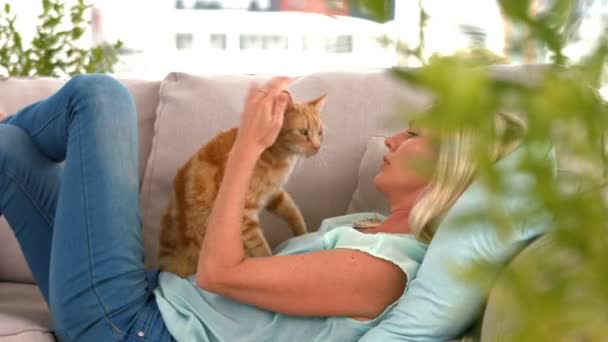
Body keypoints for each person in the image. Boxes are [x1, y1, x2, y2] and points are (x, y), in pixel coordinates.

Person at [0, 74, 525, 341]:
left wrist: (249, 145)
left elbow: (221, 275)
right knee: (8, 152)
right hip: (141, 303)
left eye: (412, 134)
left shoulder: (380, 271)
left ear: (450, 165)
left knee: (100, 96)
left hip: (132, 327)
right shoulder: (362, 228)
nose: (389, 139)